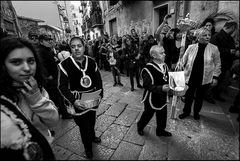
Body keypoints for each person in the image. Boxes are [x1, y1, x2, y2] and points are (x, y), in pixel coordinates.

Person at [0, 37, 59, 160]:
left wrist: (37, 98)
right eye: (16, 62)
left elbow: (53, 121)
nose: (27, 68)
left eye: (31, 61)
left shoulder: (37, 88)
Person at [58, 36, 103, 159]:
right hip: (77, 101)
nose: (76, 49)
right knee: (83, 127)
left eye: (79, 46)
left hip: (92, 98)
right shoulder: (64, 65)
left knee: (92, 121)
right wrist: (73, 101)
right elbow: (62, 87)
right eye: (73, 46)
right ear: (70, 49)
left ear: (84, 47)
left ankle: (93, 136)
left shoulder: (92, 61)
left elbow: (98, 80)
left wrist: (100, 94)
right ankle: (88, 149)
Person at [178, 28, 221, 120]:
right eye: (204, 35)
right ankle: (186, 111)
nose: (208, 37)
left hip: (204, 77)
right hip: (190, 76)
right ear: (198, 37)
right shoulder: (191, 47)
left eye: (209, 35)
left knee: (200, 97)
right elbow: (183, 60)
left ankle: (196, 112)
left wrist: (215, 77)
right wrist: (180, 65)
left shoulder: (214, 48)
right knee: (188, 95)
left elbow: (218, 63)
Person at [137, 45, 172, 137]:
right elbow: (147, 85)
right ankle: (140, 126)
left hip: (162, 97)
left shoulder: (165, 65)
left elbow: (167, 79)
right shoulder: (147, 69)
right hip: (151, 98)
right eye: (162, 53)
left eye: (164, 52)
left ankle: (160, 131)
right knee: (147, 115)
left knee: (162, 115)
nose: (164, 54)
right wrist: (161, 88)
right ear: (154, 56)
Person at [38, 34, 71, 119]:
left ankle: (60, 111)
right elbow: (41, 64)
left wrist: (55, 60)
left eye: (50, 39)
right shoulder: (41, 51)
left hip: (54, 76)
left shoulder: (47, 50)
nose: (49, 41)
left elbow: (49, 62)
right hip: (50, 79)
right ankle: (64, 114)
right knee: (58, 95)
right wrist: (48, 75)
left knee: (56, 96)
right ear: (41, 41)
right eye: (47, 40)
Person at [210, 20, 238, 102]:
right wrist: (228, 51)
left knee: (221, 81)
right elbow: (213, 49)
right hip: (218, 63)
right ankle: (208, 95)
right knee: (214, 80)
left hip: (226, 64)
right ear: (232, 27)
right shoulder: (217, 36)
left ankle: (216, 95)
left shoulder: (230, 37)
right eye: (234, 28)